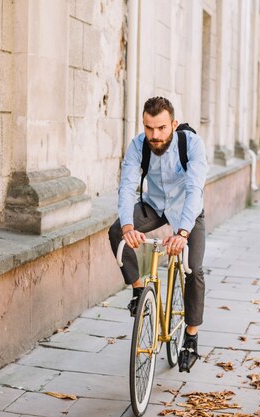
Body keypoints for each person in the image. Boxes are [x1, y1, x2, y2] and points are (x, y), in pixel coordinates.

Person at [108, 96, 208, 372]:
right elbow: (127, 186)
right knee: (116, 231)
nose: (155, 135)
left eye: (161, 128)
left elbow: (194, 189)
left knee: (194, 270)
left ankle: (190, 336)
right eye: (149, 128)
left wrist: (183, 233)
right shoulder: (139, 145)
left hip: (188, 211)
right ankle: (140, 292)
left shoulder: (192, 145)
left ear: (173, 124)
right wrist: (128, 226)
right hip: (155, 205)